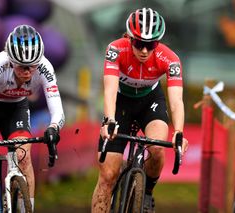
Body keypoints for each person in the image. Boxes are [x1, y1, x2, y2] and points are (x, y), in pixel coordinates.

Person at [91, 7, 188, 213]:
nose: (144, 51)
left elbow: (177, 100)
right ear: (128, 37)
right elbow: (109, 90)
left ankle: (147, 193)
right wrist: (109, 119)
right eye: (139, 44)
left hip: (150, 102)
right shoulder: (115, 49)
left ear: (158, 42)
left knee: (157, 148)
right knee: (108, 176)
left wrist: (179, 131)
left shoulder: (170, 59)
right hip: (121, 103)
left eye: (151, 44)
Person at [0, 24, 65, 212]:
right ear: (11, 61)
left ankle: (27, 208)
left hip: (15, 107)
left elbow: (57, 111)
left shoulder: (45, 68)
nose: (27, 72)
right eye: (22, 66)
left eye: (32, 66)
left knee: (23, 157)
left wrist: (53, 128)